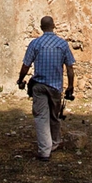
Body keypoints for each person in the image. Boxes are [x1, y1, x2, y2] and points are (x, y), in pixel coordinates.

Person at [16, 16, 75, 161]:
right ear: (54, 26)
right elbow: (70, 68)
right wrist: (70, 86)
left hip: (39, 85)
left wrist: (20, 79)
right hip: (55, 86)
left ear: (41, 27)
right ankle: (54, 142)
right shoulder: (62, 44)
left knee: (41, 117)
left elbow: (26, 65)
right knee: (54, 116)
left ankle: (44, 151)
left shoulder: (35, 43)